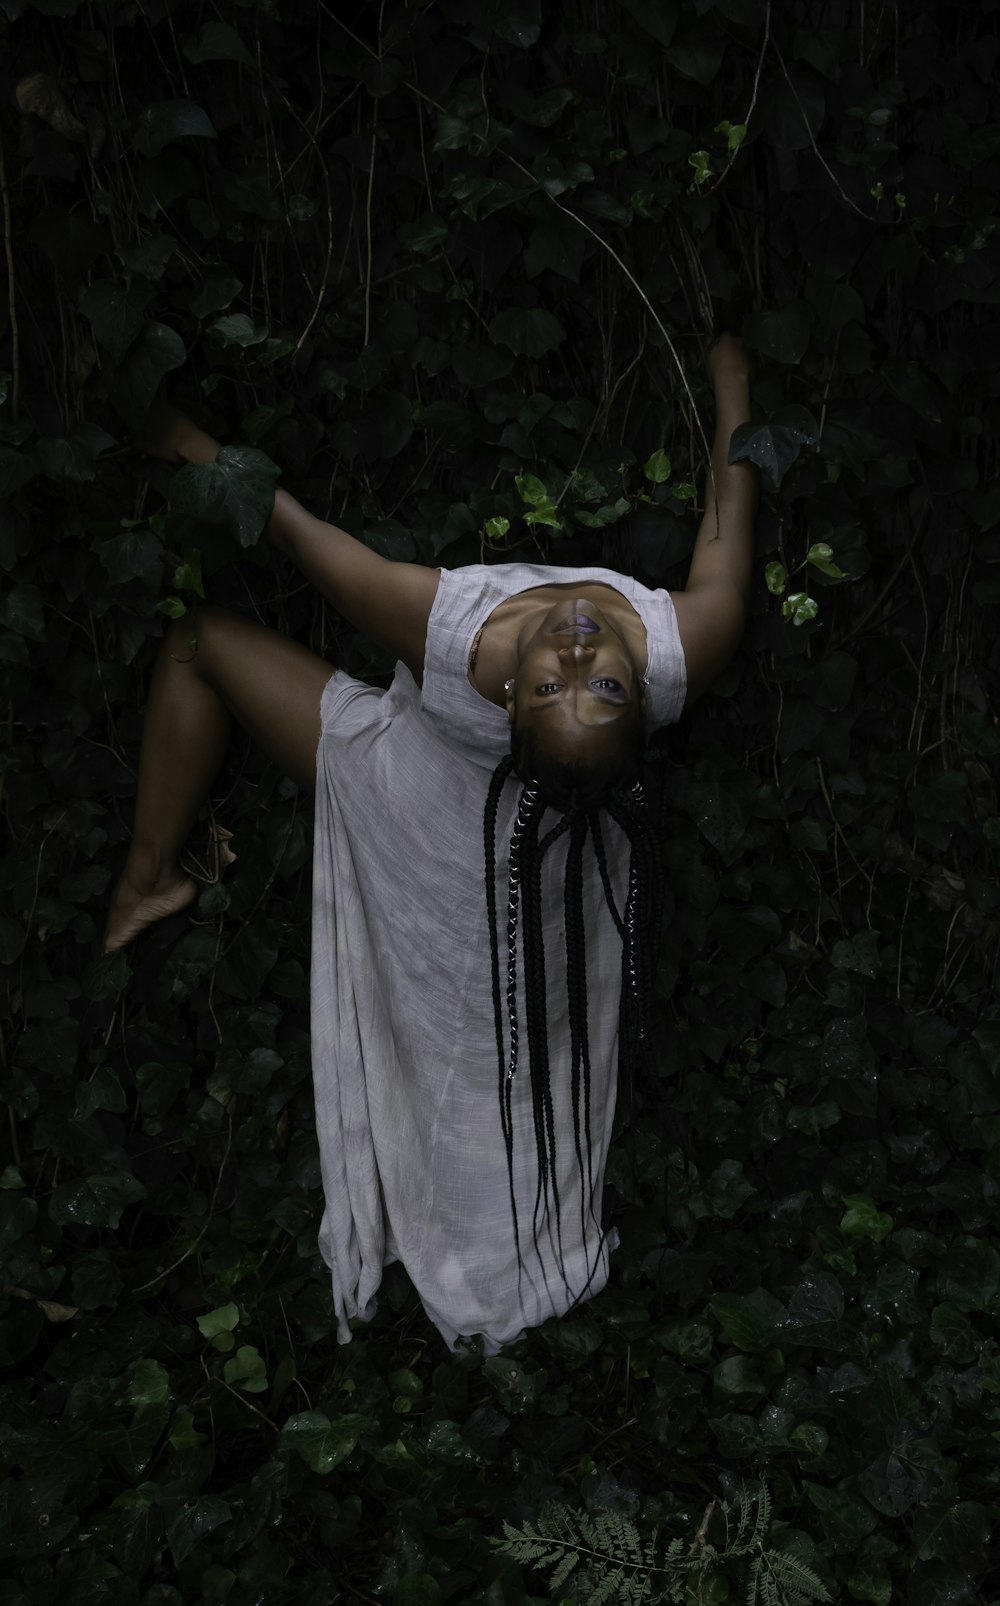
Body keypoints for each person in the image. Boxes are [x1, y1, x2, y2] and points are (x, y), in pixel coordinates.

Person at [105, 333, 757, 1350]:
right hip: (450, 789)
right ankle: (147, 882)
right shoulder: (678, 644)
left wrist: (177, 437)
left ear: (510, 694)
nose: (581, 650)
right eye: (589, 678)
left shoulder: (457, 633)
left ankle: (142, 880)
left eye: (568, 682)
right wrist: (733, 391)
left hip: (430, 794)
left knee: (202, 641)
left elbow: (303, 532)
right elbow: (725, 530)